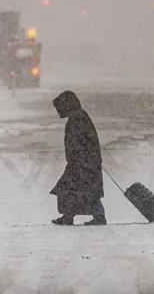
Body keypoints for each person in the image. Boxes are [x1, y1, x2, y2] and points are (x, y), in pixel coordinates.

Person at [50, 90, 106, 226]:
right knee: (85, 190)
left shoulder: (77, 119)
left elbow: (77, 142)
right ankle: (94, 216)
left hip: (82, 162)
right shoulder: (79, 116)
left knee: (71, 189)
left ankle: (70, 216)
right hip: (86, 161)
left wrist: (79, 159)